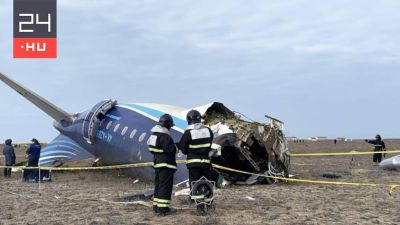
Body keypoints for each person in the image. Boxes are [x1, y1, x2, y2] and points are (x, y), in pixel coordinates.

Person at [178, 110, 214, 216]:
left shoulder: (188, 133)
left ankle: (200, 208)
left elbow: (183, 149)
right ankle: (210, 204)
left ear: (189, 120)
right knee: (208, 183)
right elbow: (209, 145)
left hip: (194, 164)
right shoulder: (208, 131)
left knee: (196, 184)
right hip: (206, 162)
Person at [147, 114, 178, 216]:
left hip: (157, 164)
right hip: (166, 165)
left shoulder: (153, 135)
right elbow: (170, 150)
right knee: (165, 187)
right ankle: (163, 209)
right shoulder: (165, 136)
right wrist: (176, 147)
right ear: (168, 124)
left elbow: (151, 149)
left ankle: (156, 206)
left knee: (159, 186)